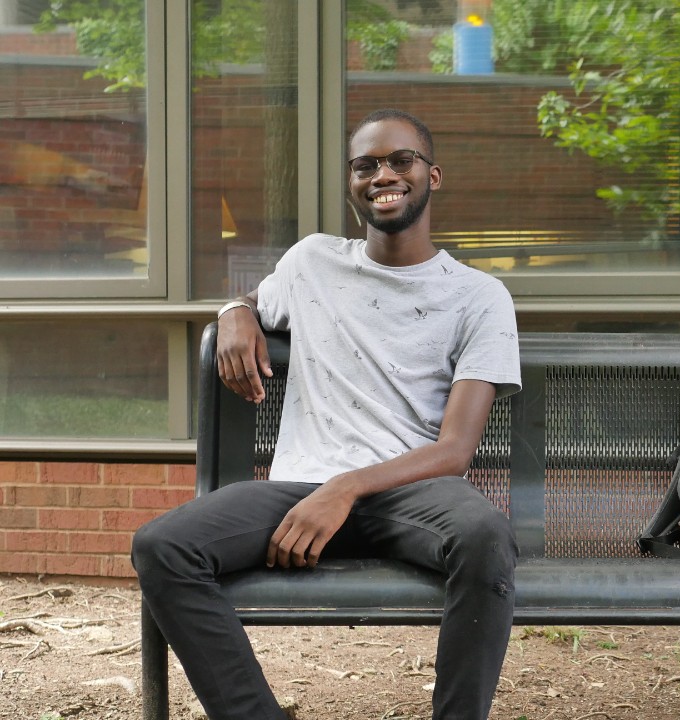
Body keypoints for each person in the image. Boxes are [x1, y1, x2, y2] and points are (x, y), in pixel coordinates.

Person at [132, 108, 521, 720]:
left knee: (485, 535)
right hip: (301, 490)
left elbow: (456, 451)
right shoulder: (313, 261)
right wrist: (234, 311)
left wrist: (346, 488)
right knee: (163, 546)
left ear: (433, 176)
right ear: (351, 184)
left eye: (400, 161)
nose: (382, 174)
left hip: (412, 495)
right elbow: (252, 300)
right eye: (365, 165)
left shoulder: (478, 296)